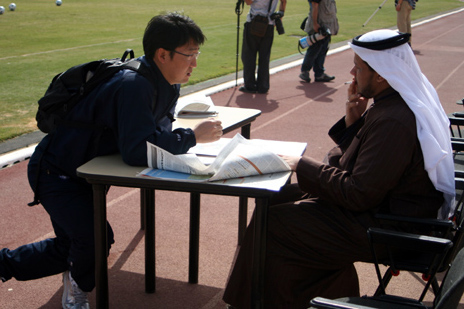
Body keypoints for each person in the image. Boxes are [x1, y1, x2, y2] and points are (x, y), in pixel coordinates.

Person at [0, 12, 223, 309]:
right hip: (58, 173)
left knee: (75, 245)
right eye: (190, 54)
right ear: (162, 54)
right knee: (95, 240)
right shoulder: (135, 84)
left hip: (84, 172)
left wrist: (175, 139)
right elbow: (136, 151)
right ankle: (77, 288)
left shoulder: (168, 82)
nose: (195, 63)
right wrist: (192, 137)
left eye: (197, 53)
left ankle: (8, 265)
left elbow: (155, 134)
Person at [223, 29, 454, 308]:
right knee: (273, 199)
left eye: (358, 67)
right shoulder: (389, 104)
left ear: (380, 73)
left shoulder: (394, 119)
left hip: (390, 229)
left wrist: (299, 164)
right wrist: (353, 122)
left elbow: (358, 193)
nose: (352, 72)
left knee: (275, 225)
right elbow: (359, 170)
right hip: (381, 212)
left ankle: (248, 303)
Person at [239, 0, 287, 94]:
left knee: (249, 55)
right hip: (269, 24)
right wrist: (280, 18)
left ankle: (250, 85)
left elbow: (248, 2)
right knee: (264, 57)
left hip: (253, 23)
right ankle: (263, 86)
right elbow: (284, 2)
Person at [299, 0, 338, 83]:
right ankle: (305, 71)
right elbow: (314, 5)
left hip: (327, 25)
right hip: (319, 25)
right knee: (314, 49)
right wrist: (315, 23)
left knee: (323, 49)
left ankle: (319, 74)